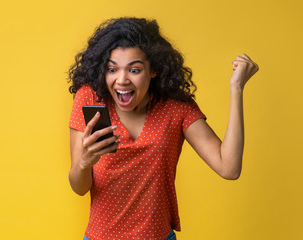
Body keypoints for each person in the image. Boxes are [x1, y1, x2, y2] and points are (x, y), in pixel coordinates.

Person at [67, 17, 259, 240]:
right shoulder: (90, 98)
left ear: (154, 70)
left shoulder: (176, 108)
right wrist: (84, 162)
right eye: (112, 69)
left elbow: (229, 168)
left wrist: (237, 89)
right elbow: (79, 187)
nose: (121, 80)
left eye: (134, 70)